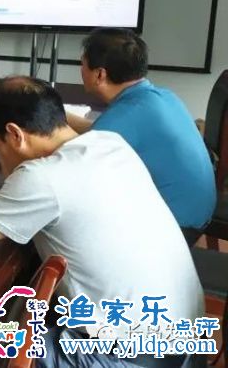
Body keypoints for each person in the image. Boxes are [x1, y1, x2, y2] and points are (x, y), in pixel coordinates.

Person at [0, 77, 203, 368]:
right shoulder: (111, 143)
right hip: (184, 344)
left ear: (15, 134)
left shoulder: (42, 178)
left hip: (126, 357)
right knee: (20, 309)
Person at [67, 28, 216, 242]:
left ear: (100, 74)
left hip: (175, 229)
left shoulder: (124, 116)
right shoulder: (161, 97)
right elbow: (99, 131)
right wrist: (58, 114)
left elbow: (73, 166)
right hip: (198, 212)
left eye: (82, 64)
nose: (80, 70)